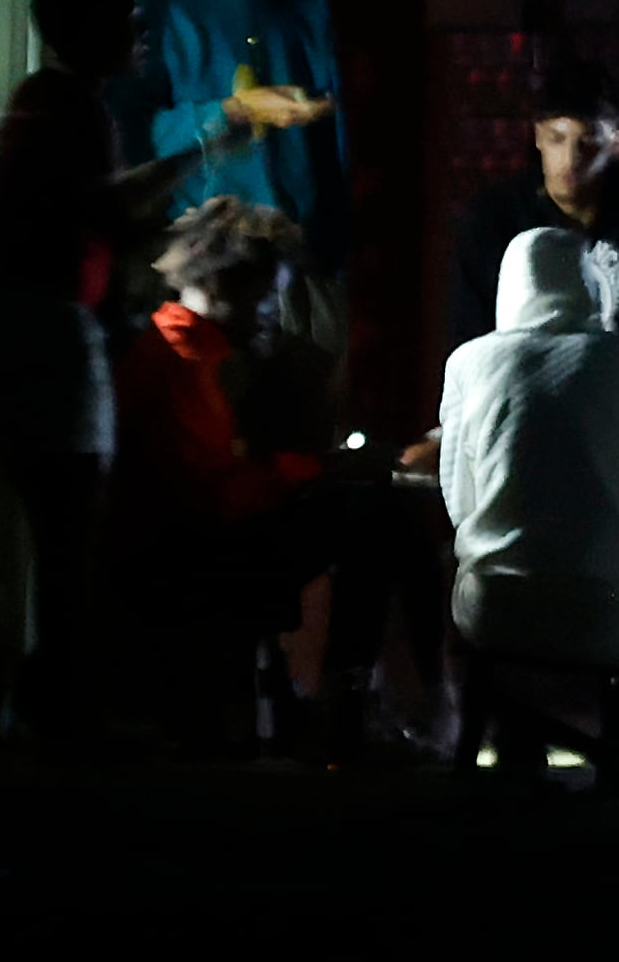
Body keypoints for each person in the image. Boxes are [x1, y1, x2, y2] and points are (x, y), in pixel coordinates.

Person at [0, 0, 303, 748]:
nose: (141, 32)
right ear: (90, 28)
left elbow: (99, 213)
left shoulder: (57, 100)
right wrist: (206, 150)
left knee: (59, 528)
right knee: (71, 529)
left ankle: (51, 703)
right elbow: (108, 213)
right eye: (127, 20)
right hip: (36, 323)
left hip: (16, 318)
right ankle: (63, 715)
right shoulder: (69, 105)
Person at [111, 198, 422, 756]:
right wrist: (325, 468)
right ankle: (346, 703)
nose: (273, 313)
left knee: (366, 505)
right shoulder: (185, 359)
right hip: (190, 552)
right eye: (265, 295)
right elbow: (220, 495)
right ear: (223, 283)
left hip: (188, 541)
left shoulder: (191, 348)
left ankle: (335, 700)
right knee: (377, 515)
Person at [439, 228, 619, 787]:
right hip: (607, 613)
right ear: (591, 284)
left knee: (457, 564)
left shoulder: (469, 361)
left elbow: (459, 500)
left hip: (491, 612)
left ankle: (510, 731)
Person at [115, 0, 344, 359]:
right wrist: (231, 112)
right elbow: (135, 135)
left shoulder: (312, 11)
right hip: (204, 273)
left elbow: (335, 149)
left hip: (299, 266)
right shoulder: (167, 9)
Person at [444, 58, 619, 368]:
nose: (571, 158)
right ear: (538, 136)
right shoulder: (494, 220)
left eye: (588, 141)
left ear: (617, 142)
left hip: (618, 390)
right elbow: (470, 334)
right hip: (518, 387)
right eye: (557, 138)